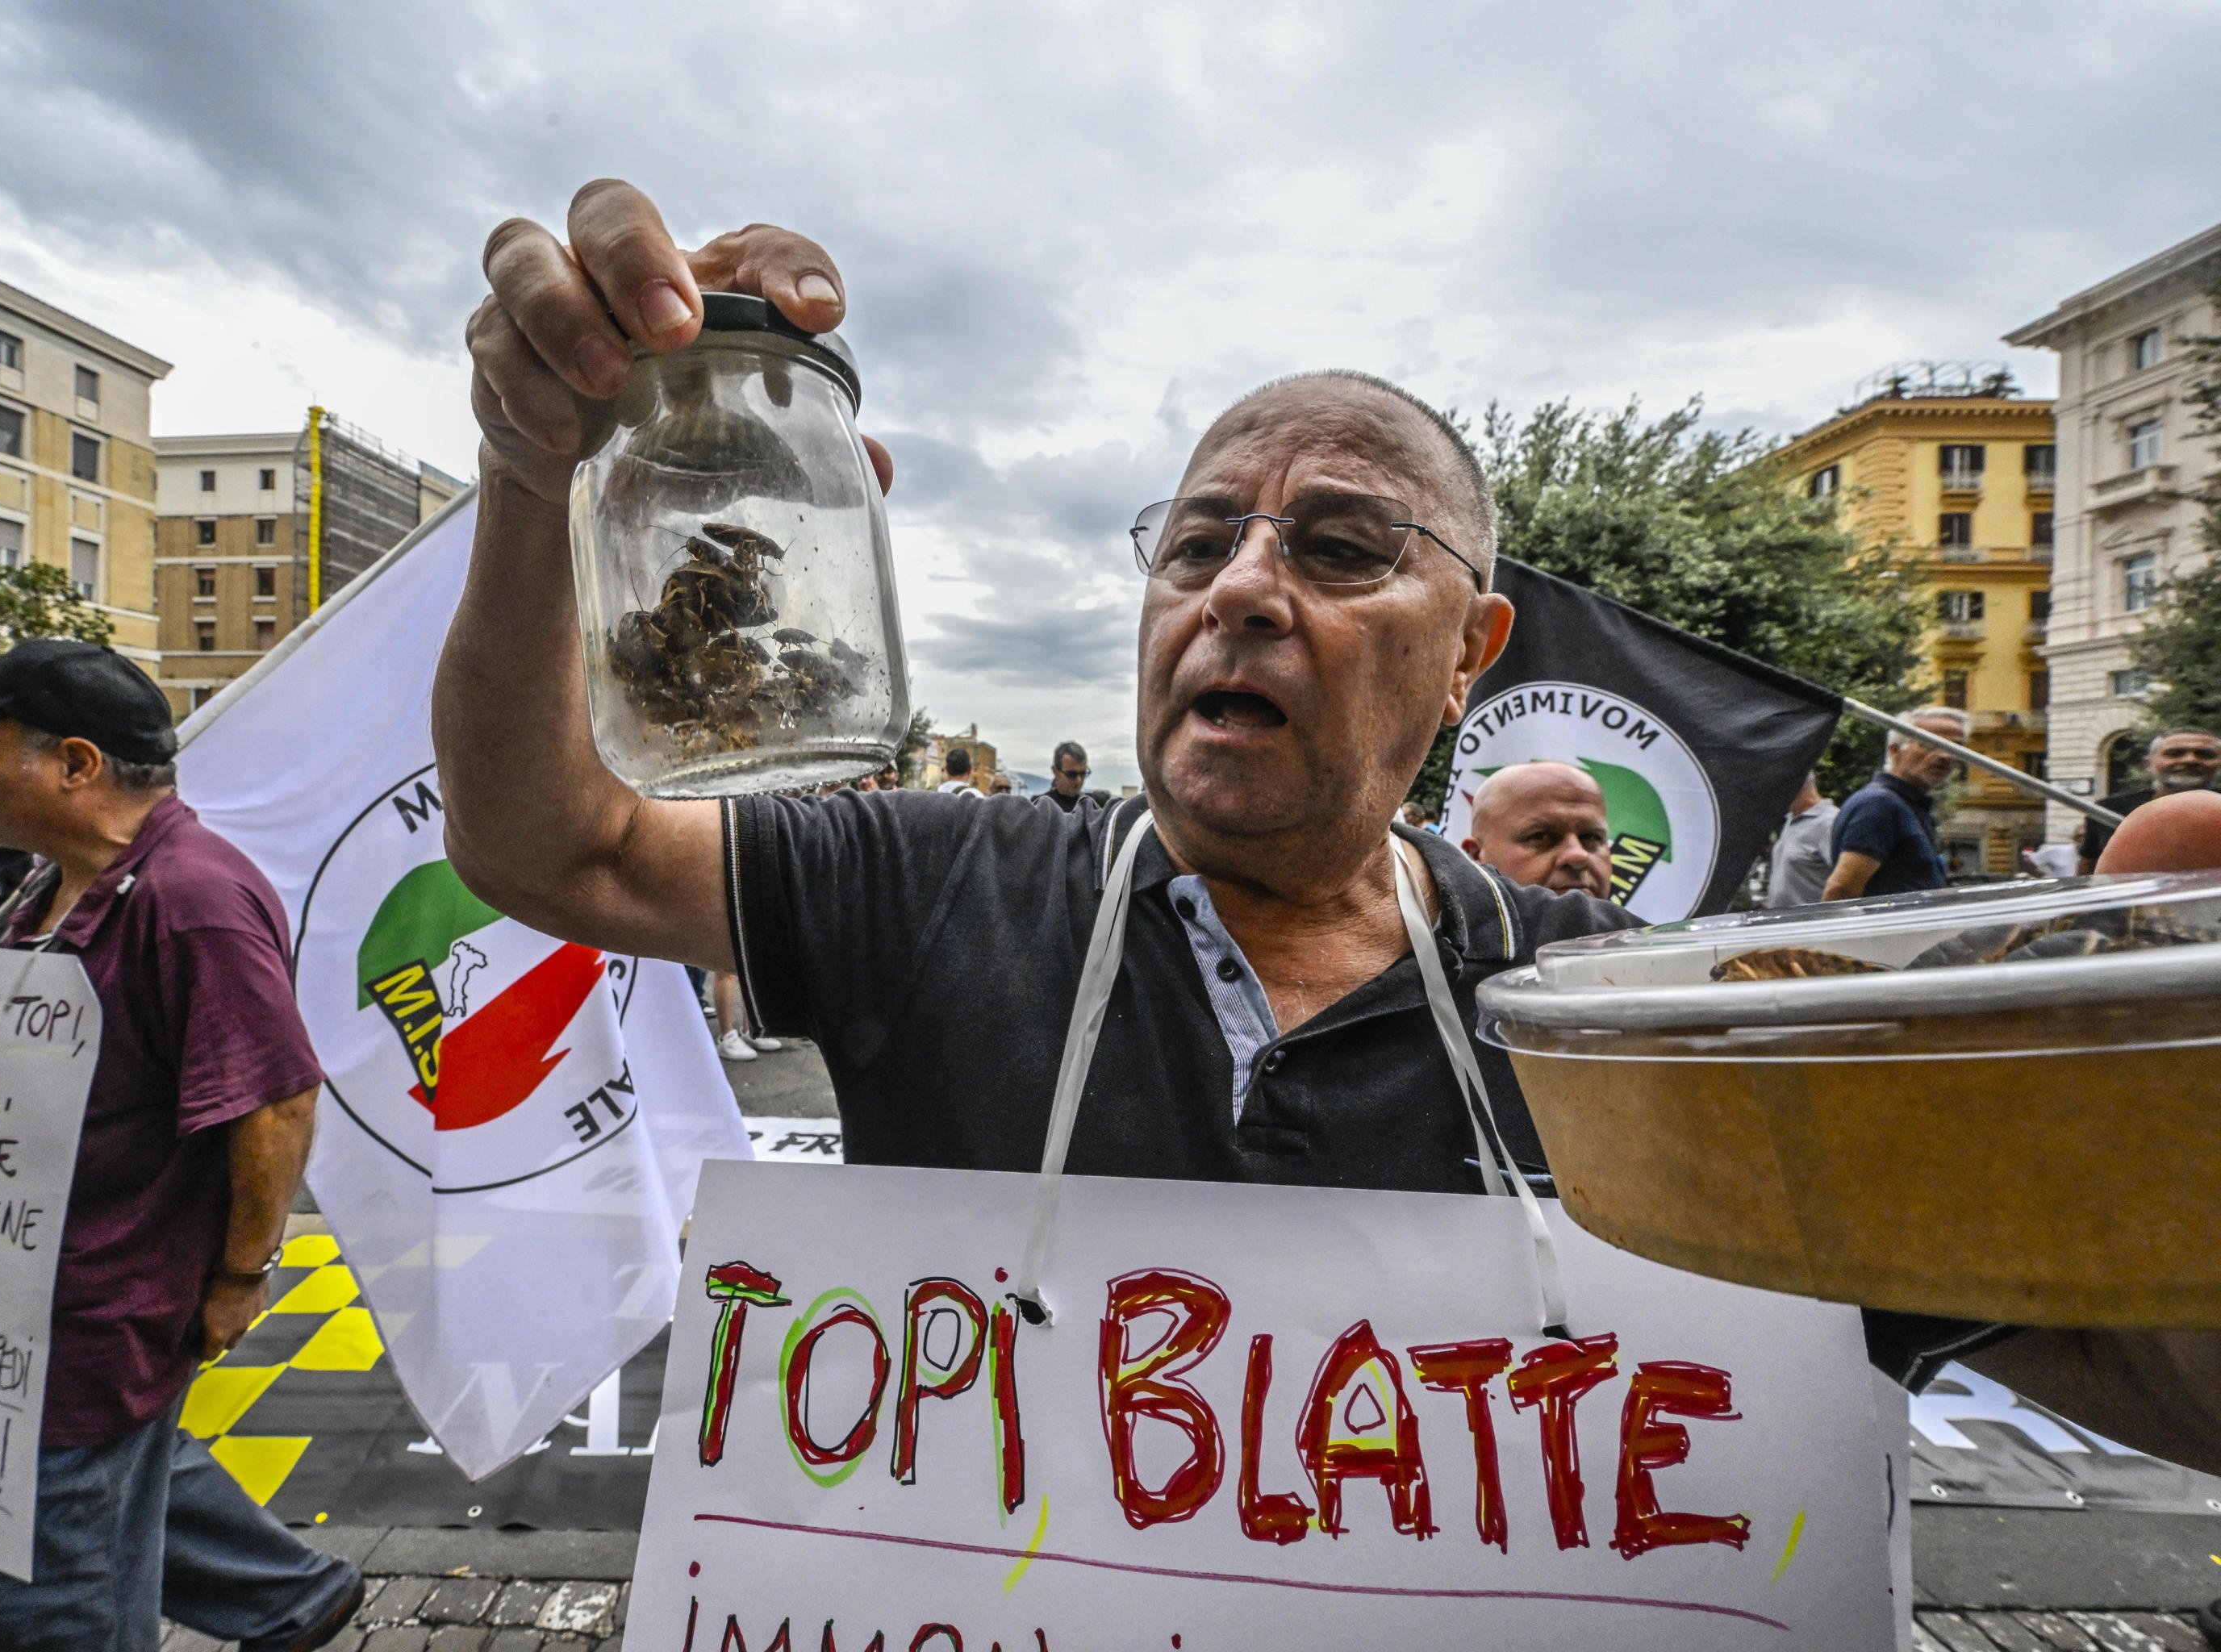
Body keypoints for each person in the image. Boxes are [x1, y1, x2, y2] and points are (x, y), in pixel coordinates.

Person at [436, 180, 2221, 1477]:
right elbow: (548, 842)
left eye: (1344, 548)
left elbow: (2129, 1357)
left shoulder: (1618, 1024)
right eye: (1197, 544)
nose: (1245, 589)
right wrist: (543, 469)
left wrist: (2140, 1147)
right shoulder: (938, 872)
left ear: (1471, 659)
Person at [0, 640, 362, 1652]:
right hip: (17, 1297)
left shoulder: (194, 898)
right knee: (110, 1477)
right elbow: (35, 1008)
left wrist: (243, 1273)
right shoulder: (54, 884)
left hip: (96, 1311)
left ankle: (280, 1594)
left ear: (75, 764)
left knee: (48, 1585)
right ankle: (287, 1597)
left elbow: (277, 1099)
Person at [1821, 708, 1968, 902]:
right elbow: (1841, 890)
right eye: (1930, 743)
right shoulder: (1880, 804)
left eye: (1955, 747)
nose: (1946, 755)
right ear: (1895, 749)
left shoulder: (1908, 805)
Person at [1459, 761, 1613, 899]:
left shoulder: (1634, 927)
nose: (1578, 855)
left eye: (1592, 837)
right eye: (1541, 836)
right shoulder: (1445, 930)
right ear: (1475, 855)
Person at [2080, 727, 2219, 872]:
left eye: (2205, 754)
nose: (2190, 759)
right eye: (2175, 753)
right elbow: (2088, 871)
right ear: (2148, 764)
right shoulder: (2106, 809)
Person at [1764, 776, 1839, 907]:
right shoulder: (1791, 819)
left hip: (1811, 923)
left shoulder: (1830, 822)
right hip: (1781, 923)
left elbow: (1845, 884)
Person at [1044, 741, 1092, 812]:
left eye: (1083, 773)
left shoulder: (1091, 806)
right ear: (1055, 771)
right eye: (1072, 774)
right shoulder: (1041, 806)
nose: (1078, 780)